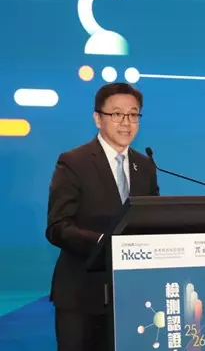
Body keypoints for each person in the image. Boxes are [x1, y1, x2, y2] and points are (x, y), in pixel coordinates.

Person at [45, 82, 159, 351]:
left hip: (133, 297)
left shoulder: (145, 165)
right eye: (117, 114)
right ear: (98, 119)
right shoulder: (74, 161)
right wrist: (103, 244)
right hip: (82, 294)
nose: (126, 122)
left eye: (133, 114)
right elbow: (58, 226)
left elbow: (150, 221)